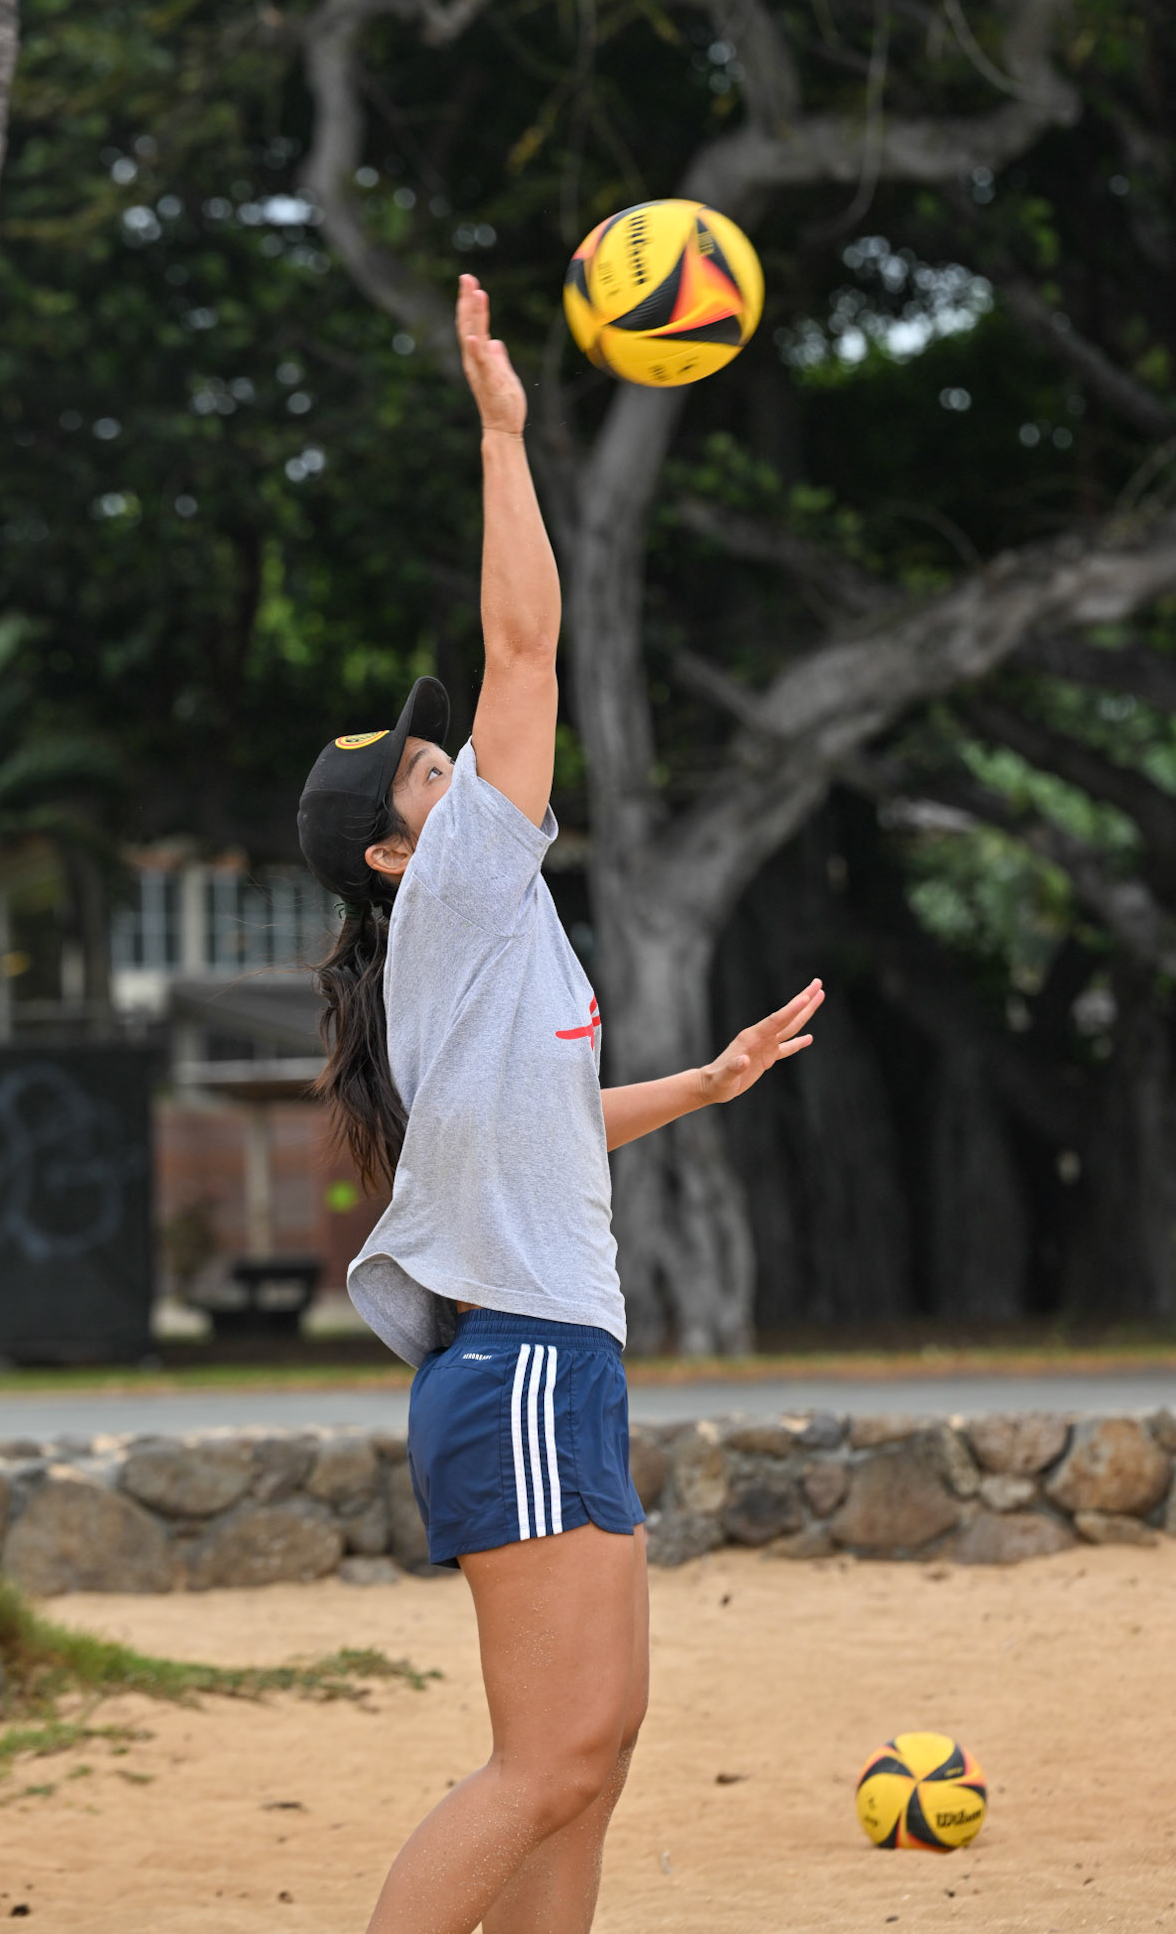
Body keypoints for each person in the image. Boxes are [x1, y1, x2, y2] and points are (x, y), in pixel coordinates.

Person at [297, 275, 824, 1934]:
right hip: (521, 1357)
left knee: (595, 1753)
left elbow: (536, 1131)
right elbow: (524, 641)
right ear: (394, 851)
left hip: (549, 1354)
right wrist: (503, 435)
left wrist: (702, 1081)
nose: (450, 770)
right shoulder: (457, 885)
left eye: (439, 761)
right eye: (419, 776)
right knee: (546, 1762)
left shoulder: (478, 935)